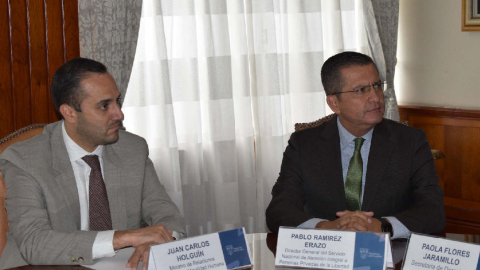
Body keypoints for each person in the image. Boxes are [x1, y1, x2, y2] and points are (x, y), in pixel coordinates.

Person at [0, 58, 185, 269]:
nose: (119, 114)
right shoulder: (24, 160)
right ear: (69, 113)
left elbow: (168, 215)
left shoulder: (133, 149)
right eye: (104, 106)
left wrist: (158, 244)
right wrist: (121, 238)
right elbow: (34, 243)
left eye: (118, 101)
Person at [265, 51, 445, 238]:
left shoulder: (410, 141)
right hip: (324, 256)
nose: (375, 97)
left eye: (376, 86)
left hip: (388, 257)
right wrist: (326, 228)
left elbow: (433, 212)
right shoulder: (304, 144)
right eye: (361, 90)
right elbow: (279, 211)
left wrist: (382, 227)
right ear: (334, 103)